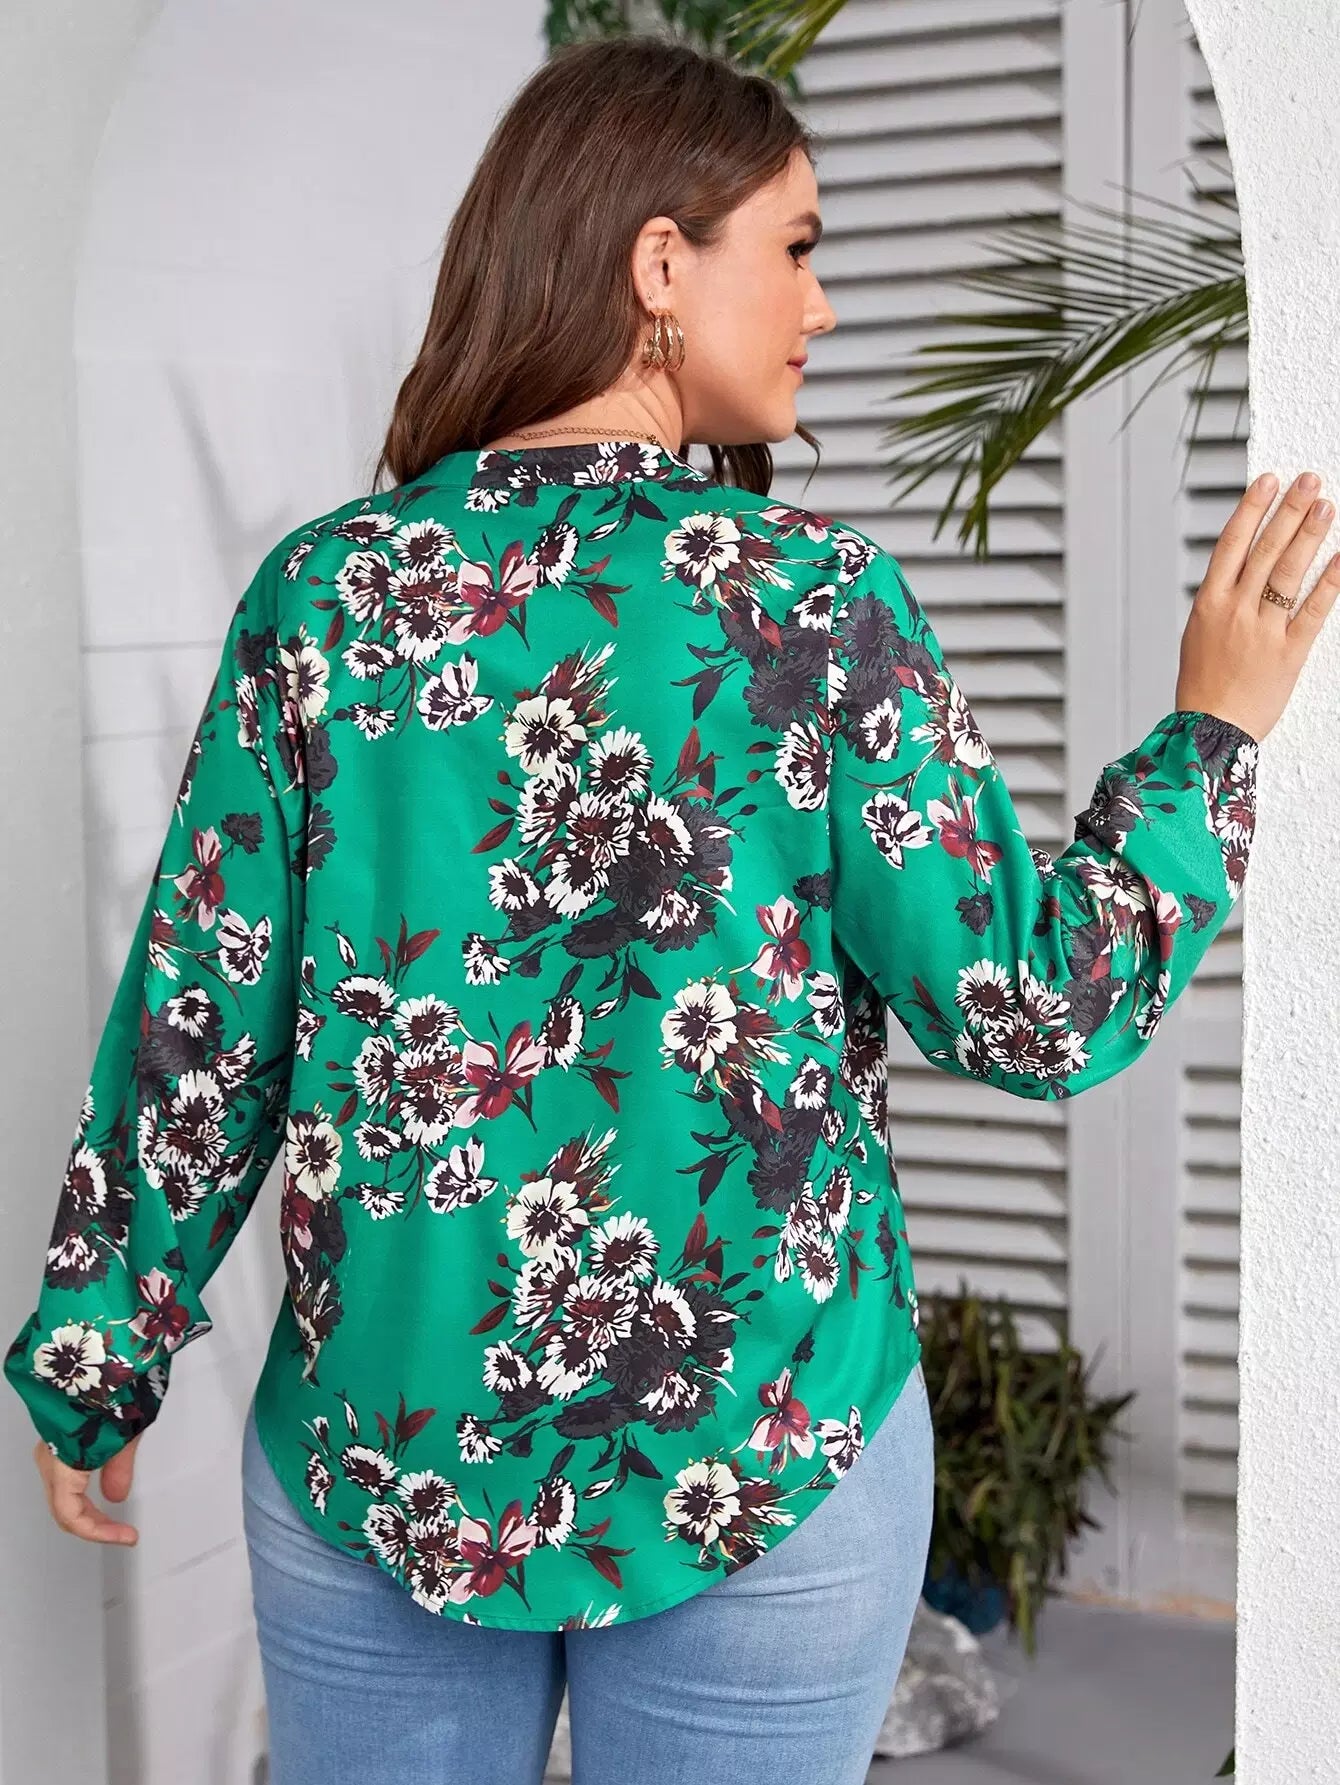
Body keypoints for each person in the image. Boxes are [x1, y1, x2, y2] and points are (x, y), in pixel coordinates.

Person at [5, 31, 1335, 1785]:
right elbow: (1038, 1007)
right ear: (657, 265)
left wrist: (100, 1342)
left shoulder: (320, 601)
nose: (823, 305)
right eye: (795, 247)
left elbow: (204, 1024)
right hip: (762, 1459)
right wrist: (1211, 739)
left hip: (380, 1461)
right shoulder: (810, 605)